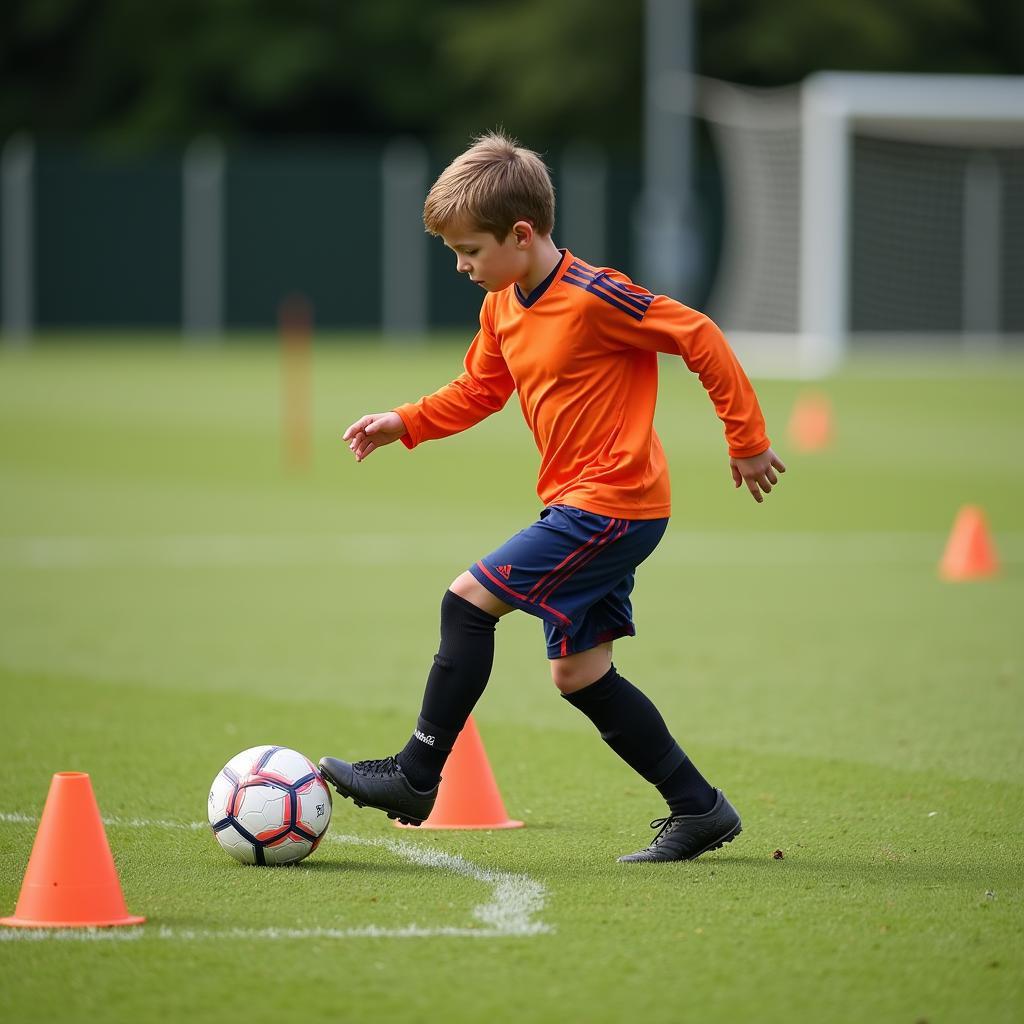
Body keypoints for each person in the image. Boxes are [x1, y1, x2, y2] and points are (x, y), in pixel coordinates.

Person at [319, 130, 785, 862]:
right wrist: (403, 422)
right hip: (582, 505)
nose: (462, 266)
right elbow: (480, 390)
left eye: (470, 250)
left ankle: (416, 774)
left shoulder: (596, 296)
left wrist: (747, 437)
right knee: (579, 674)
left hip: (613, 503)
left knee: (466, 602)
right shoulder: (503, 307)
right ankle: (700, 809)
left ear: (523, 233)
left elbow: (698, 333)